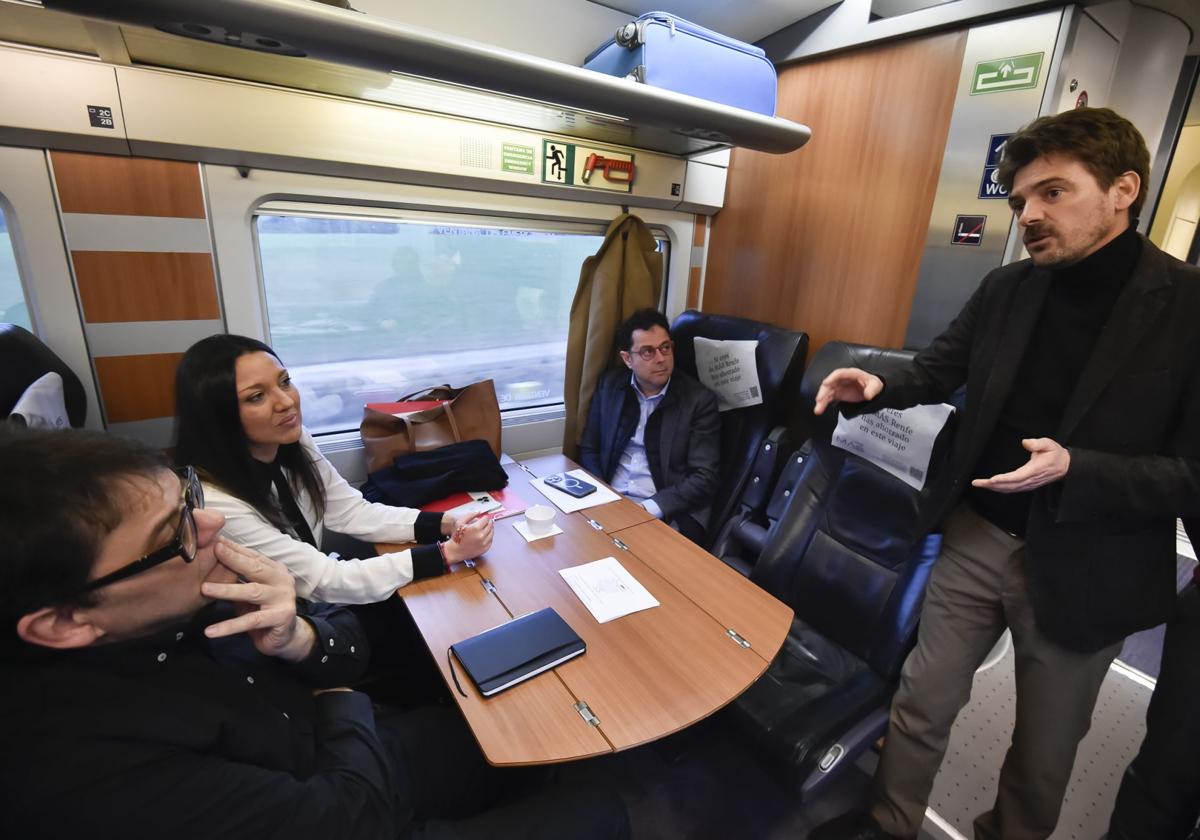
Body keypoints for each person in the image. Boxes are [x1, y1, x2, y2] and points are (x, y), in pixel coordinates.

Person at [809, 107, 1200, 840]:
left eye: (1054, 193)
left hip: (1091, 561)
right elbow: (939, 368)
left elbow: (1191, 472)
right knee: (921, 701)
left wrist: (1079, 468)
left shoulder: (1186, 306)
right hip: (978, 534)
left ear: (1124, 190)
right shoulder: (1009, 289)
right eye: (1021, 200)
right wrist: (881, 387)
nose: (1029, 215)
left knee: (1042, 753)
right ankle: (890, 825)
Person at [0, 428, 630, 840]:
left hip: (335, 748)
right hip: (353, 806)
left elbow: (340, 642)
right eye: (176, 532)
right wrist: (336, 699)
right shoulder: (83, 766)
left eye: (190, 499)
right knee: (603, 813)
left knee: (514, 741)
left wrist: (300, 641)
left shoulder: (181, 599)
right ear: (64, 622)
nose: (213, 522)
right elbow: (351, 818)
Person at [174, 334, 494, 605]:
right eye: (256, 396)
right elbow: (325, 581)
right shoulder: (216, 504)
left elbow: (353, 512)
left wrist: (446, 523)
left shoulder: (291, 440)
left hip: (322, 607)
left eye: (284, 382)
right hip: (285, 631)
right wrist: (446, 554)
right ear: (217, 416)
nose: (285, 401)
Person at [579, 308, 720, 543]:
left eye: (665, 347)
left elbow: (704, 477)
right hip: (609, 503)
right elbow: (589, 448)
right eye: (647, 352)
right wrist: (601, 496)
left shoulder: (698, 401)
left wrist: (649, 509)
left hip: (666, 513)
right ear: (627, 359)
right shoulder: (611, 386)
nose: (661, 358)